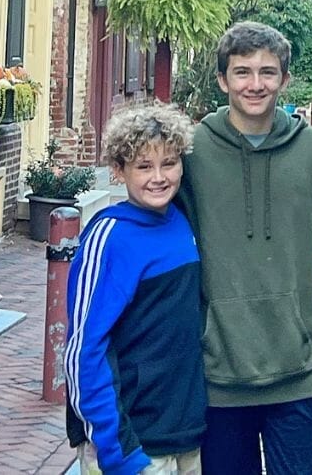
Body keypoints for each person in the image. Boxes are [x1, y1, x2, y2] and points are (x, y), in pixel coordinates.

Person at [179, 21, 312, 475]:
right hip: (220, 375)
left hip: (300, 373)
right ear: (222, 79)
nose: (255, 84)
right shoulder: (192, 153)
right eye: (242, 71)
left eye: (267, 72)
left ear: (285, 80)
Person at [64, 102, 207, 475]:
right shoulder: (109, 237)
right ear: (118, 170)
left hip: (186, 435)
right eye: (144, 166)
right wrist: (116, 449)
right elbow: (83, 350)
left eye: (169, 163)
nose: (158, 177)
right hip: (134, 443)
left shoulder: (182, 224)